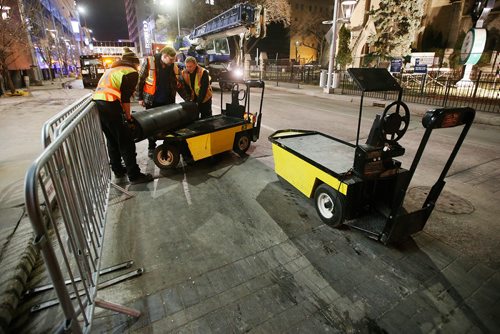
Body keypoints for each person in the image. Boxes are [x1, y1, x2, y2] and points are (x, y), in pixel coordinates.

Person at [92, 48, 153, 184]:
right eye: (137, 65)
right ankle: (134, 175)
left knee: (112, 140)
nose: (137, 68)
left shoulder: (111, 70)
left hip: (98, 105)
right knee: (126, 141)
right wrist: (128, 118)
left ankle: (118, 170)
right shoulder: (130, 72)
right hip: (110, 105)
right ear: (134, 63)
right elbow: (125, 99)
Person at [136, 46, 184, 157]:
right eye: (171, 59)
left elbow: (179, 85)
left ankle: (167, 146)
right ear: (164, 56)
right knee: (151, 125)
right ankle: (151, 147)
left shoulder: (173, 66)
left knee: (169, 125)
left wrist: (188, 99)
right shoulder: (149, 62)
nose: (173, 62)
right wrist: (139, 98)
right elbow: (140, 81)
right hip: (152, 100)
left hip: (168, 100)